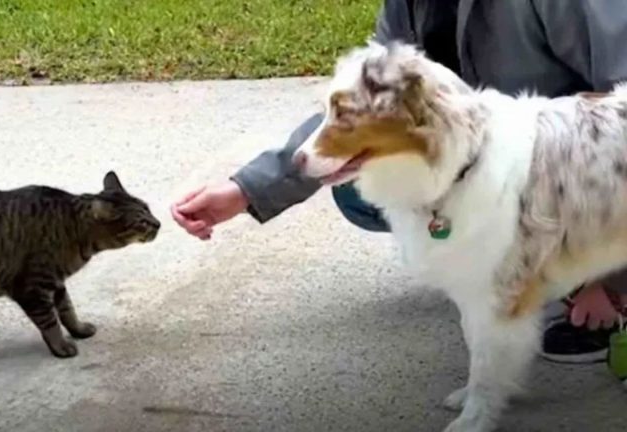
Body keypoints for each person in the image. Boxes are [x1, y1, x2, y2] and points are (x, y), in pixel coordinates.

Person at [171, 0, 627, 365]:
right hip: (486, 164)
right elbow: (359, 110)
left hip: (579, 167)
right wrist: (246, 190)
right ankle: (505, 268)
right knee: (356, 189)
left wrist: (599, 273)